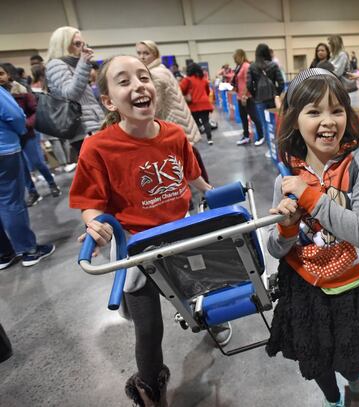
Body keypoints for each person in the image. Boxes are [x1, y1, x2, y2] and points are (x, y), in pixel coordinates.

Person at [68, 55, 231, 407]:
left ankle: (210, 322)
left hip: (183, 235)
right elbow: (89, 201)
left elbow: (191, 176)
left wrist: (213, 193)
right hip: (138, 247)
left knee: (202, 292)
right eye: (124, 81)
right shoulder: (98, 147)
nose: (138, 85)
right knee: (149, 328)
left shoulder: (172, 134)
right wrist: (94, 224)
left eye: (143, 77)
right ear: (109, 101)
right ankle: (150, 387)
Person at [265, 68, 359, 407]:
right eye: (314, 111)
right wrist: (287, 226)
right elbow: (275, 248)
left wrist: (309, 197)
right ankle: (332, 401)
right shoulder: (286, 175)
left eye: (336, 110)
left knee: (355, 361)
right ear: (295, 120)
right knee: (315, 359)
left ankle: (356, 391)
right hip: (302, 286)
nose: (327, 121)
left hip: (349, 286)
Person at [136, 40, 209, 182]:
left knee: (178, 174)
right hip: (181, 124)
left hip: (171, 126)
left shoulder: (155, 75)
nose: (142, 57)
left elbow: (155, 108)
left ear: (155, 54)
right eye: (139, 53)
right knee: (193, 168)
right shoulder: (163, 69)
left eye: (146, 53)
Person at [0, 85, 55, 270]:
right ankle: (28, 250)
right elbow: (15, 116)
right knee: (11, 202)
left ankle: (4, 253)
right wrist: (21, 131)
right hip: (4, 150)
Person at [0, 63, 61, 205]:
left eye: (1, 73)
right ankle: (32, 192)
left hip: (28, 133)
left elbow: (36, 111)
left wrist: (26, 124)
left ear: (8, 75)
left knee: (37, 161)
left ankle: (52, 184)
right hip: (10, 139)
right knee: (23, 167)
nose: (0, 78)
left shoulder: (21, 90)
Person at [45, 26, 104, 156]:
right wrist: (83, 63)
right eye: (77, 44)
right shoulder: (56, 64)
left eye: (82, 43)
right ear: (64, 45)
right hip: (82, 129)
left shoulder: (73, 64)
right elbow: (70, 94)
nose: (82, 47)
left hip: (91, 124)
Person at [247, 43, 285, 147]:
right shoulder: (273, 65)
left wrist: (255, 96)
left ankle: (270, 149)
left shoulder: (252, 66)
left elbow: (249, 85)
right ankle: (280, 148)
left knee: (265, 125)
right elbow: (281, 83)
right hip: (272, 99)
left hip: (259, 100)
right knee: (276, 124)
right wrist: (276, 93)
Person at [231, 49, 264, 146]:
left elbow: (248, 82)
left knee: (254, 117)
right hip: (239, 97)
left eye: (235, 58)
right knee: (243, 118)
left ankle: (261, 136)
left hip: (247, 97)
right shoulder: (239, 67)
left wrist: (245, 95)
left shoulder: (246, 66)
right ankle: (246, 136)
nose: (234, 60)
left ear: (241, 56)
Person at [180, 63, 214, 145]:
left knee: (194, 122)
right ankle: (209, 139)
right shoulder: (204, 80)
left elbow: (180, 90)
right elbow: (208, 91)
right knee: (206, 121)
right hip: (205, 104)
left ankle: (198, 134)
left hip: (194, 104)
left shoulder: (187, 80)